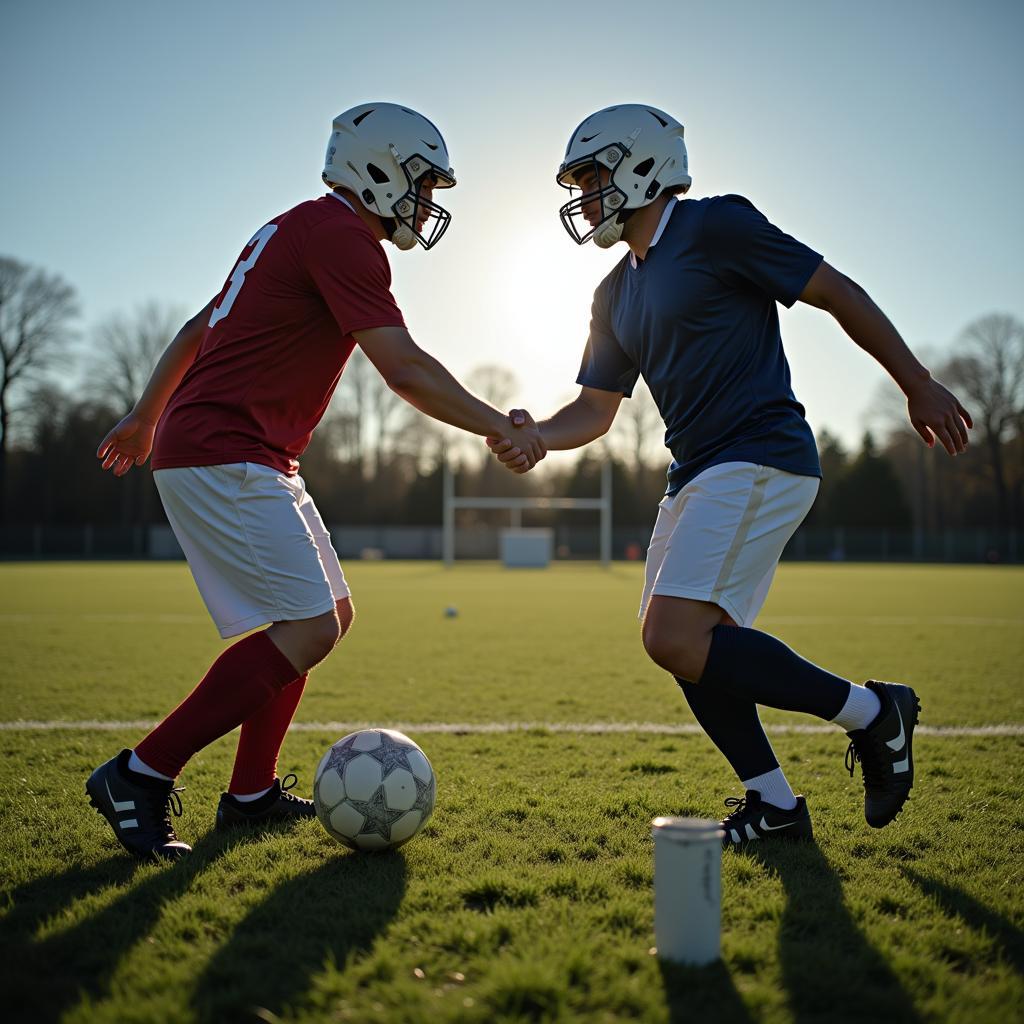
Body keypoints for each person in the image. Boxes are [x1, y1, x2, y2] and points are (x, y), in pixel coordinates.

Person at [489, 103, 971, 847]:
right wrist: (539, 440)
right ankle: (775, 805)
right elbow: (594, 409)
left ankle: (877, 715)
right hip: (696, 473)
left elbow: (835, 289)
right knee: (687, 643)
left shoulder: (716, 226)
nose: (584, 198)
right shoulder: (612, 292)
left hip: (760, 454)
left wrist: (915, 380)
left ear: (644, 166)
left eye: (592, 177)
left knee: (673, 633)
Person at [90, 102, 544, 860]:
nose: (426, 203)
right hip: (224, 449)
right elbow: (402, 369)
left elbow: (201, 327)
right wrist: (498, 423)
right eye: (423, 184)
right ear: (380, 168)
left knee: (327, 611)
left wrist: (145, 414)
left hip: (247, 451)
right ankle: (140, 774)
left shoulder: (292, 226)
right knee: (308, 626)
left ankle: (250, 792)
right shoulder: (343, 237)